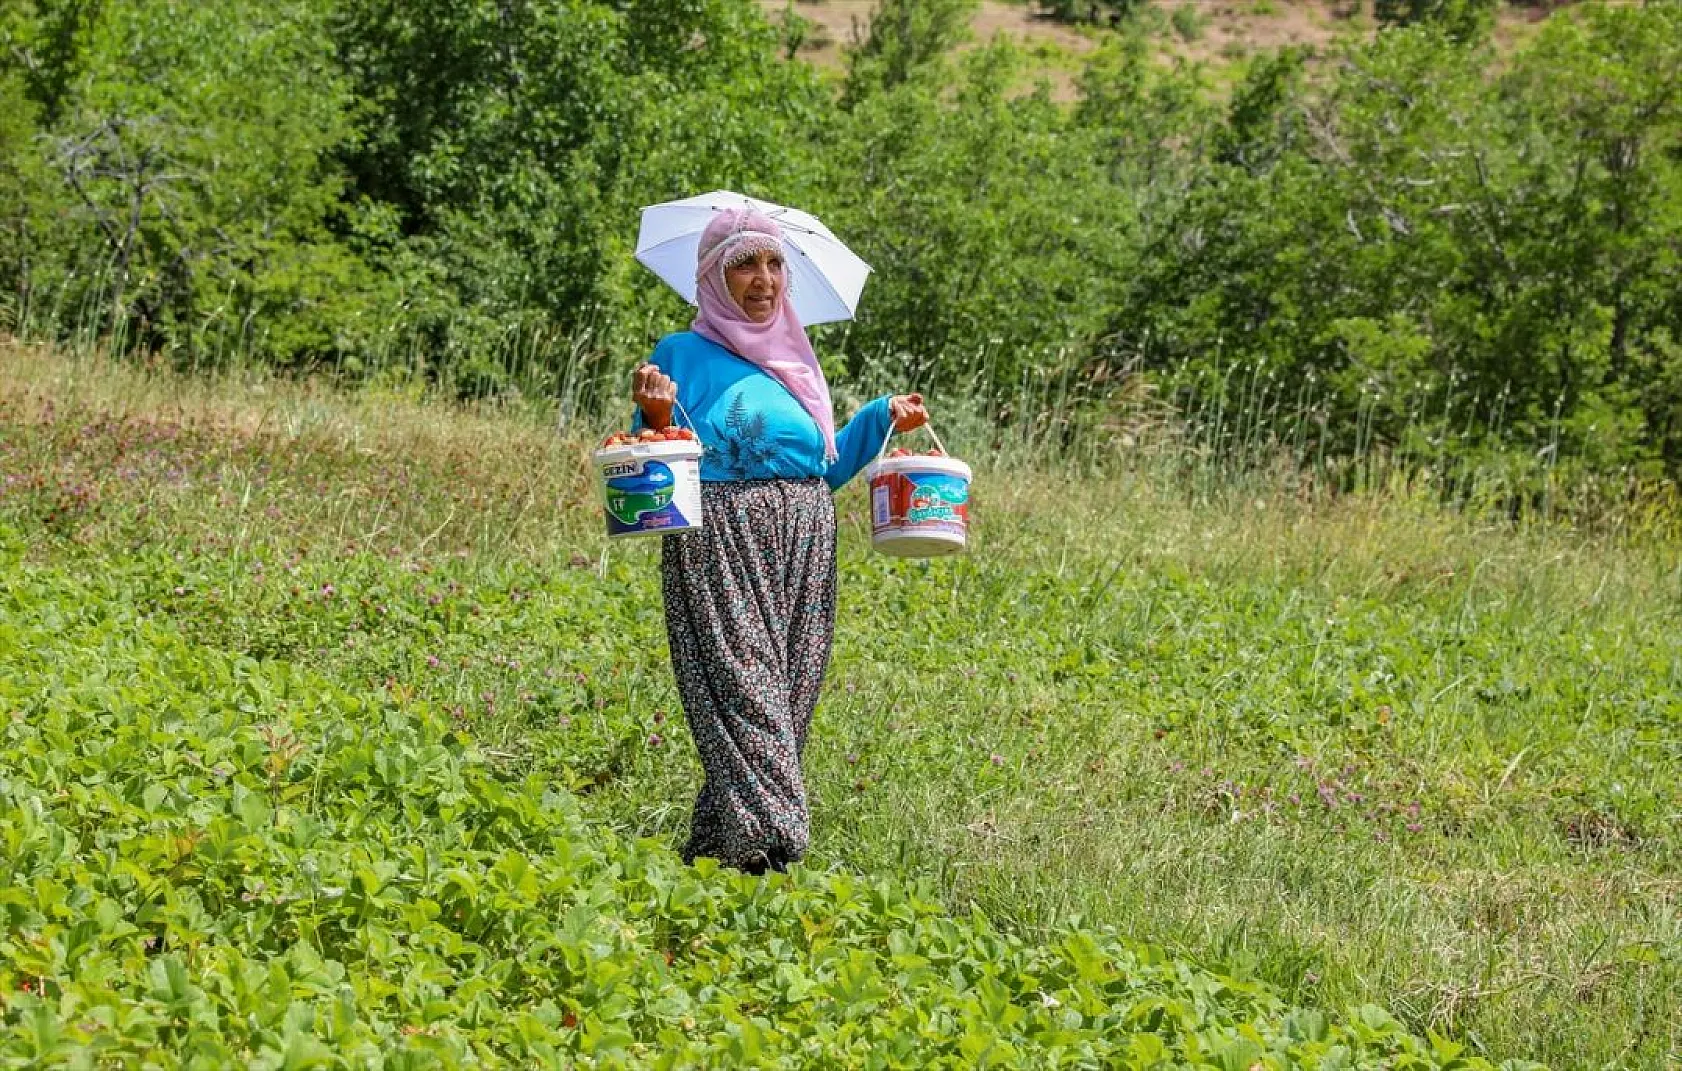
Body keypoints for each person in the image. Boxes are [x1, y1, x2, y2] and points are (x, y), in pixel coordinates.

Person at [630, 207, 927, 875]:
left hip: (806, 542)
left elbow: (824, 468)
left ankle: (716, 849)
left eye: (773, 264)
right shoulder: (681, 353)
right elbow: (651, 474)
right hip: (723, 539)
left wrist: (881, 416)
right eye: (744, 263)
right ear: (712, 275)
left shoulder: (797, 359)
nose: (763, 279)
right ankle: (776, 842)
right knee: (745, 686)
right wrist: (653, 413)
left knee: (789, 694)